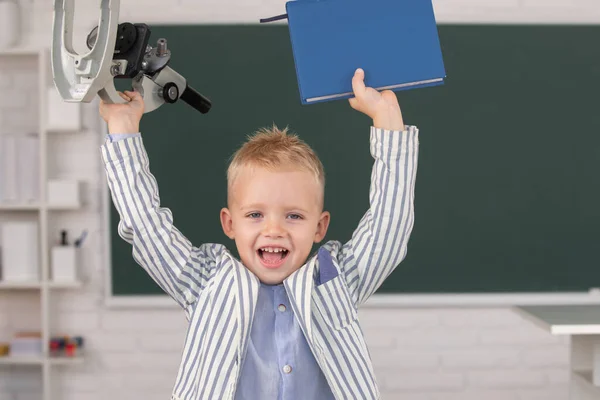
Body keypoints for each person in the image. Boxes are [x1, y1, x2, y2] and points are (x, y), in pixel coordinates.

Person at [99, 68, 419, 400]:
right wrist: (122, 129)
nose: (274, 230)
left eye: (294, 215)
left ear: (319, 227)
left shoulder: (336, 277)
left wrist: (388, 121)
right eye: (255, 214)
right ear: (229, 224)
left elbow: (388, 227)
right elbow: (147, 226)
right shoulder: (205, 281)